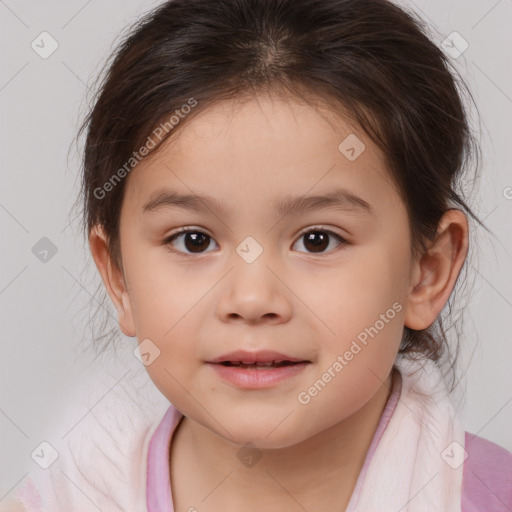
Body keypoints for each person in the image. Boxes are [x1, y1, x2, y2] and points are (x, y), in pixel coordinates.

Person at [7, 0, 512, 510]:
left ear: (427, 272)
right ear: (118, 277)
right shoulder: (67, 497)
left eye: (318, 239)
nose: (251, 299)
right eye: (193, 240)